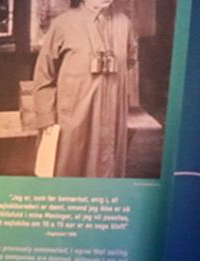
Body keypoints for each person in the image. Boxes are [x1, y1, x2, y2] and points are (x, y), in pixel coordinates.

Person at [30, 0, 138, 178]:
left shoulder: (124, 23)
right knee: (70, 172)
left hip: (112, 118)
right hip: (73, 118)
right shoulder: (63, 24)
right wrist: (46, 118)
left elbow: (130, 60)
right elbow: (44, 75)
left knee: (108, 175)